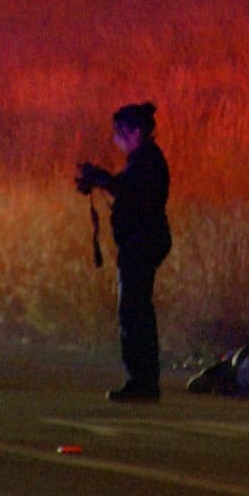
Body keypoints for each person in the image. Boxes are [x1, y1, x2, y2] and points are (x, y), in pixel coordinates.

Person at [76, 102, 172, 403]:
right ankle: (143, 381)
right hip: (140, 244)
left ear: (136, 131)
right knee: (136, 311)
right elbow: (126, 188)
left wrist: (102, 179)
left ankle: (141, 382)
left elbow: (132, 192)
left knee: (134, 313)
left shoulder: (147, 161)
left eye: (120, 131)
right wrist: (103, 180)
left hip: (142, 245)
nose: (116, 137)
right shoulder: (144, 160)